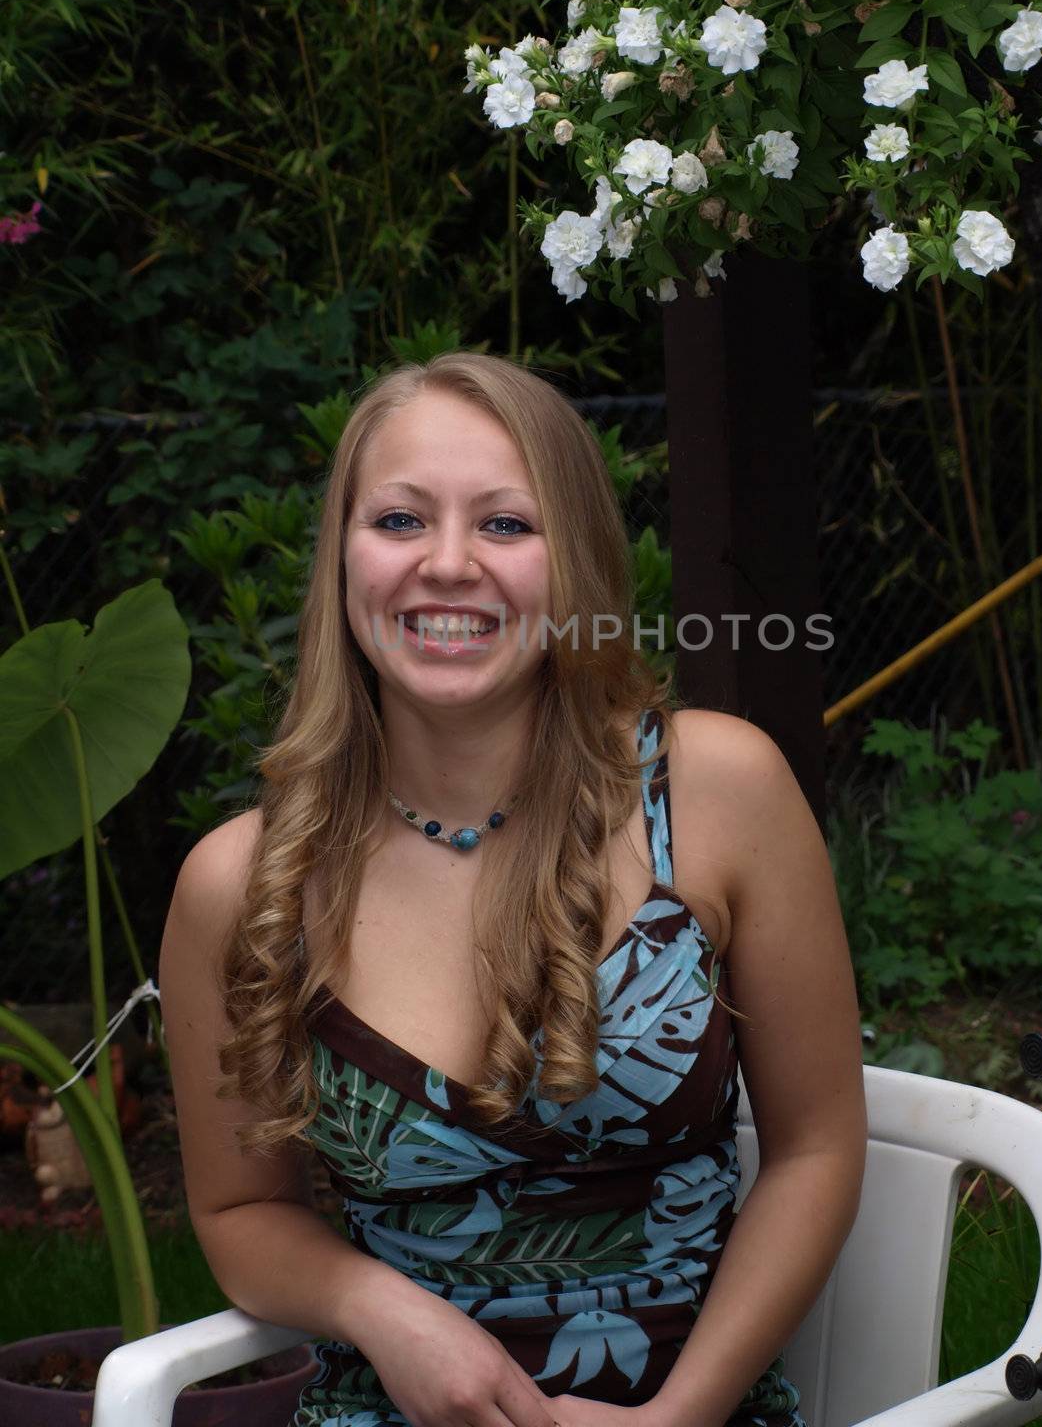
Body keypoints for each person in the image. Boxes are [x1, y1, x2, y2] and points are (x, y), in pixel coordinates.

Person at [159, 351, 866, 1427]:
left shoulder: (717, 793)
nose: (446, 563)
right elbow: (238, 1206)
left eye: (505, 524)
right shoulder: (247, 884)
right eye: (399, 520)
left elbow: (815, 1148)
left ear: (575, 558)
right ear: (341, 559)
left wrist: (674, 1421)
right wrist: (383, 1308)